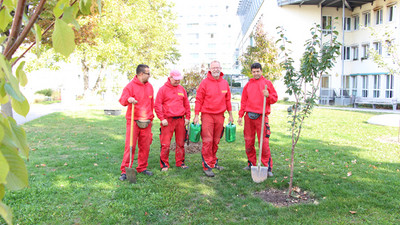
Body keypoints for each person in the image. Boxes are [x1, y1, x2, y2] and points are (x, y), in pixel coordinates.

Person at [193, 60, 233, 177]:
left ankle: (213, 162)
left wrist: (230, 115)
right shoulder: (204, 83)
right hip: (207, 116)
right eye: (213, 67)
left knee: (216, 140)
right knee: (207, 141)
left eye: (218, 67)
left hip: (220, 116)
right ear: (210, 69)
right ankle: (207, 165)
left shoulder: (225, 83)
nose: (216, 69)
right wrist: (196, 115)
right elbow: (198, 99)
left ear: (221, 68)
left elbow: (228, 100)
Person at [238, 62, 278, 177]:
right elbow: (244, 101)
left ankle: (267, 167)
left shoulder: (267, 84)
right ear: (251, 72)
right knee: (248, 142)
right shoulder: (248, 85)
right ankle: (251, 163)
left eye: (258, 71)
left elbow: (274, 98)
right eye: (254, 72)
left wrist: (268, 95)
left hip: (261, 117)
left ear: (261, 71)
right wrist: (241, 115)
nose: (256, 73)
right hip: (249, 117)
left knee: (264, 144)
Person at [119, 64, 154, 181]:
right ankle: (125, 170)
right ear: (141, 74)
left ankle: (142, 168)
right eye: (148, 73)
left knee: (145, 146)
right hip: (133, 120)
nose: (150, 75)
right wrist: (128, 99)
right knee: (130, 146)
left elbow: (151, 104)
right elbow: (122, 100)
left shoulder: (150, 87)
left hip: (146, 121)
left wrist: (151, 119)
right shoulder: (130, 86)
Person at [155, 70, 191, 171]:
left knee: (180, 143)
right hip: (168, 121)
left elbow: (186, 104)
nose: (177, 81)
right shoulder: (163, 90)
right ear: (170, 78)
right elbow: (157, 105)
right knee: (165, 144)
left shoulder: (182, 89)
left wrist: (187, 117)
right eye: (175, 80)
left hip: (180, 120)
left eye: (179, 79)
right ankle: (164, 164)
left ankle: (180, 162)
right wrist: (162, 118)